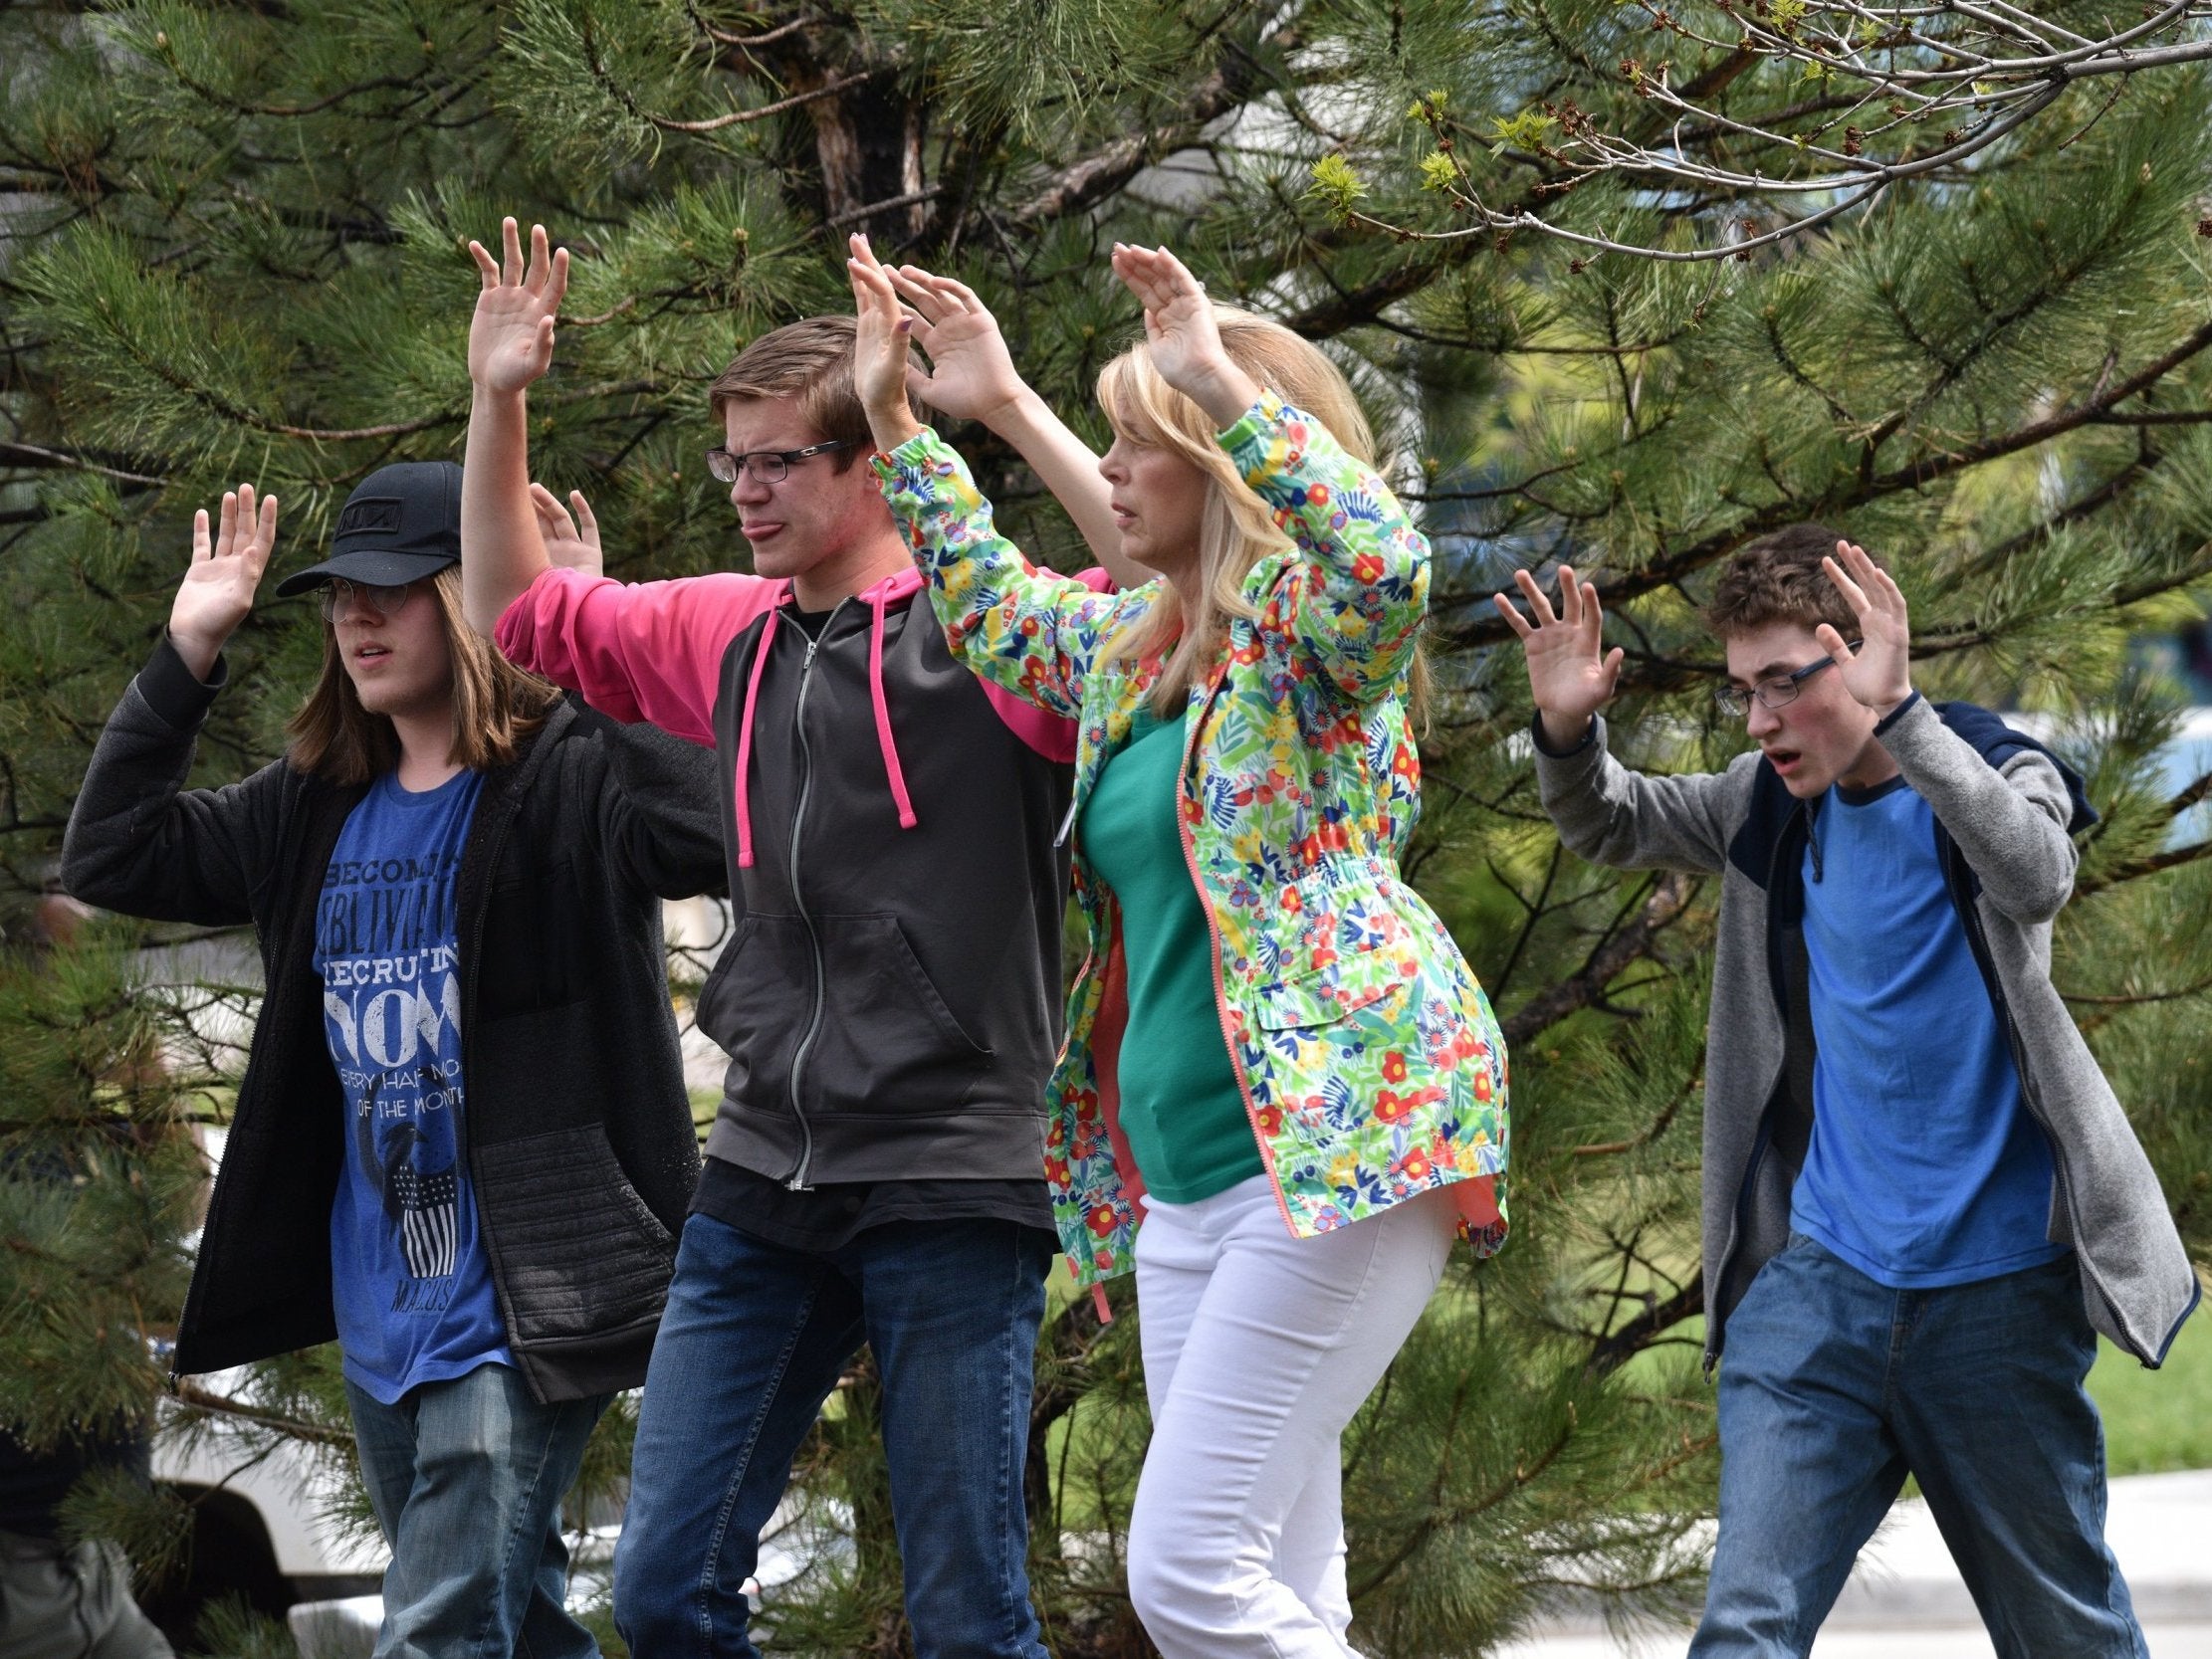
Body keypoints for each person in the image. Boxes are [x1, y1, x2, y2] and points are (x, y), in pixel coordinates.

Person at [459, 218, 1130, 1659]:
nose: (746, 490)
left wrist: (1002, 404)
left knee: (966, 1617)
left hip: (953, 1172)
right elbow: (519, 612)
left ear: (873, 461)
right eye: (734, 459)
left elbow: (1152, 586)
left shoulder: (992, 630)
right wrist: (499, 399)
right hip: (762, 1177)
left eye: (780, 460)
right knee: (660, 1593)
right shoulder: (731, 631)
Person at [847, 236, 1509, 1658]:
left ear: (1213, 463)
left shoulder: (1306, 657)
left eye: (1130, 445)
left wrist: (1211, 372)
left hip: (1322, 1167)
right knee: (1282, 1581)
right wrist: (904, 425)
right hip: (1187, 1192)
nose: (1109, 472)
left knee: (1188, 1571)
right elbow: (987, 600)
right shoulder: (1132, 662)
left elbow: (1386, 563)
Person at [1494, 527, 2200, 1659]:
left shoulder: (1988, 765)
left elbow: (2033, 870)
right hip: (1817, 1288)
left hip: (1996, 1299)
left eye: (1786, 682)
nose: (1762, 719)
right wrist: (1568, 728)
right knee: (1743, 1627)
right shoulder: (1764, 802)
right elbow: (1607, 819)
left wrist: (1906, 717)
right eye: (1743, 691)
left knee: (2064, 1634)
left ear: (1862, 653)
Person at [61, 466, 726, 1659]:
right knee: (510, 1617)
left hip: (524, 1293)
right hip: (378, 1301)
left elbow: (709, 834)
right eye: (338, 596)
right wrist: (186, 652)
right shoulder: (310, 806)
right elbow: (114, 854)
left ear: (471, 601)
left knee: (433, 1624)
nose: (357, 618)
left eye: (395, 590)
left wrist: (595, 649)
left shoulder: (565, 776)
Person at [0, 894, 175, 1659]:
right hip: (15, 1556)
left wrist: (150, 1072)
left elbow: (184, 1201)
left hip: (95, 1557)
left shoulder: (90, 1130)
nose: (105, 1007)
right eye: (88, 986)